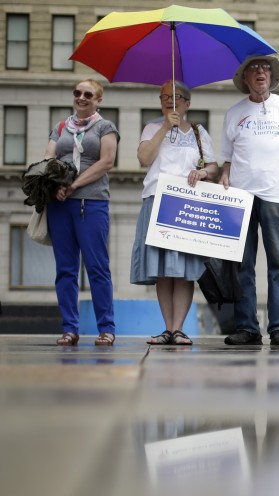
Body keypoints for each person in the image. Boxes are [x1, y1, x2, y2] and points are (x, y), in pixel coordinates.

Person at [220, 55, 279, 347]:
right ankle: (247, 328)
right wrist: (223, 176)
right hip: (241, 197)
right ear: (244, 78)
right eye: (253, 69)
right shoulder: (233, 113)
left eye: (265, 68)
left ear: (272, 76)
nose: (260, 72)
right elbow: (227, 161)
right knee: (242, 264)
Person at [131, 81, 219, 346]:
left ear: (188, 103)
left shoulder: (198, 131)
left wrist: (203, 172)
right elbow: (144, 159)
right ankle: (167, 328)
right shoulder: (151, 127)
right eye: (165, 97)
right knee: (162, 269)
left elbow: (214, 166)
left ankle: (179, 328)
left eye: (176, 96)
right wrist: (165, 127)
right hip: (157, 198)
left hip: (186, 203)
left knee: (183, 269)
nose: (170, 101)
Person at [43, 78, 119, 347]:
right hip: (60, 204)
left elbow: (107, 162)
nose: (82, 97)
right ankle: (69, 329)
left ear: (98, 100)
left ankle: (106, 328)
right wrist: (56, 186)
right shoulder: (61, 126)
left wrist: (74, 184)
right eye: (77, 92)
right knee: (65, 269)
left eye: (88, 94)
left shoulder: (105, 127)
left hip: (92, 202)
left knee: (97, 267)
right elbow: (49, 159)